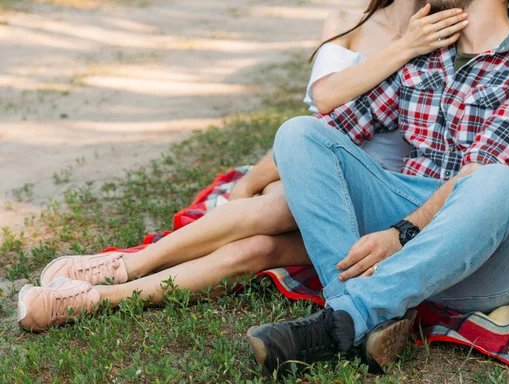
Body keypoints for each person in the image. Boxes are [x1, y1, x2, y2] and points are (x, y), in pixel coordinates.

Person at [16, 1, 468, 337]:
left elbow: (345, 116)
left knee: (257, 242)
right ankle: (122, 271)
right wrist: (253, 179)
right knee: (260, 225)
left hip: (374, 187)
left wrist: (413, 43)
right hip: (311, 158)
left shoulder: (439, 29)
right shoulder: (348, 18)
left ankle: (99, 295)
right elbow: (327, 107)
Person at [247, 0, 509, 376]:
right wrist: (246, 185)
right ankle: (353, 310)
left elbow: (476, 173)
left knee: (497, 180)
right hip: (406, 220)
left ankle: (347, 316)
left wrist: (402, 234)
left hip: (485, 256)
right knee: (299, 132)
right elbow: (337, 125)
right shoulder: (426, 56)